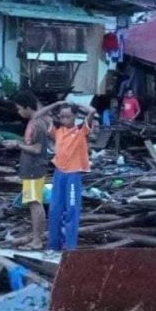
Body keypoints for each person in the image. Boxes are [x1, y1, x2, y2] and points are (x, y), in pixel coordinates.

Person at [33, 100, 97, 251]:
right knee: (55, 210)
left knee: (71, 211)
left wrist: (79, 106)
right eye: (61, 117)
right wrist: (56, 103)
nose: (64, 119)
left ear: (74, 116)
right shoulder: (58, 129)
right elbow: (38, 114)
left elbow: (92, 111)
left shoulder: (81, 129)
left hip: (73, 175)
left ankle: (70, 247)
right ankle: (53, 245)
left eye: (67, 116)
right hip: (59, 173)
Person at [2, 91, 48, 250]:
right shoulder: (33, 122)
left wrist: (17, 145)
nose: (18, 111)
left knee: (35, 204)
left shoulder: (38, 125)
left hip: (34, 169)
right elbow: (30, 143)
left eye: (19, 108)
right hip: (31, 170)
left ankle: (37, 241)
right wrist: (18, 141)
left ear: (27, 107)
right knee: (34, 203)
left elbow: (37, 148)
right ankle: (37, 237)